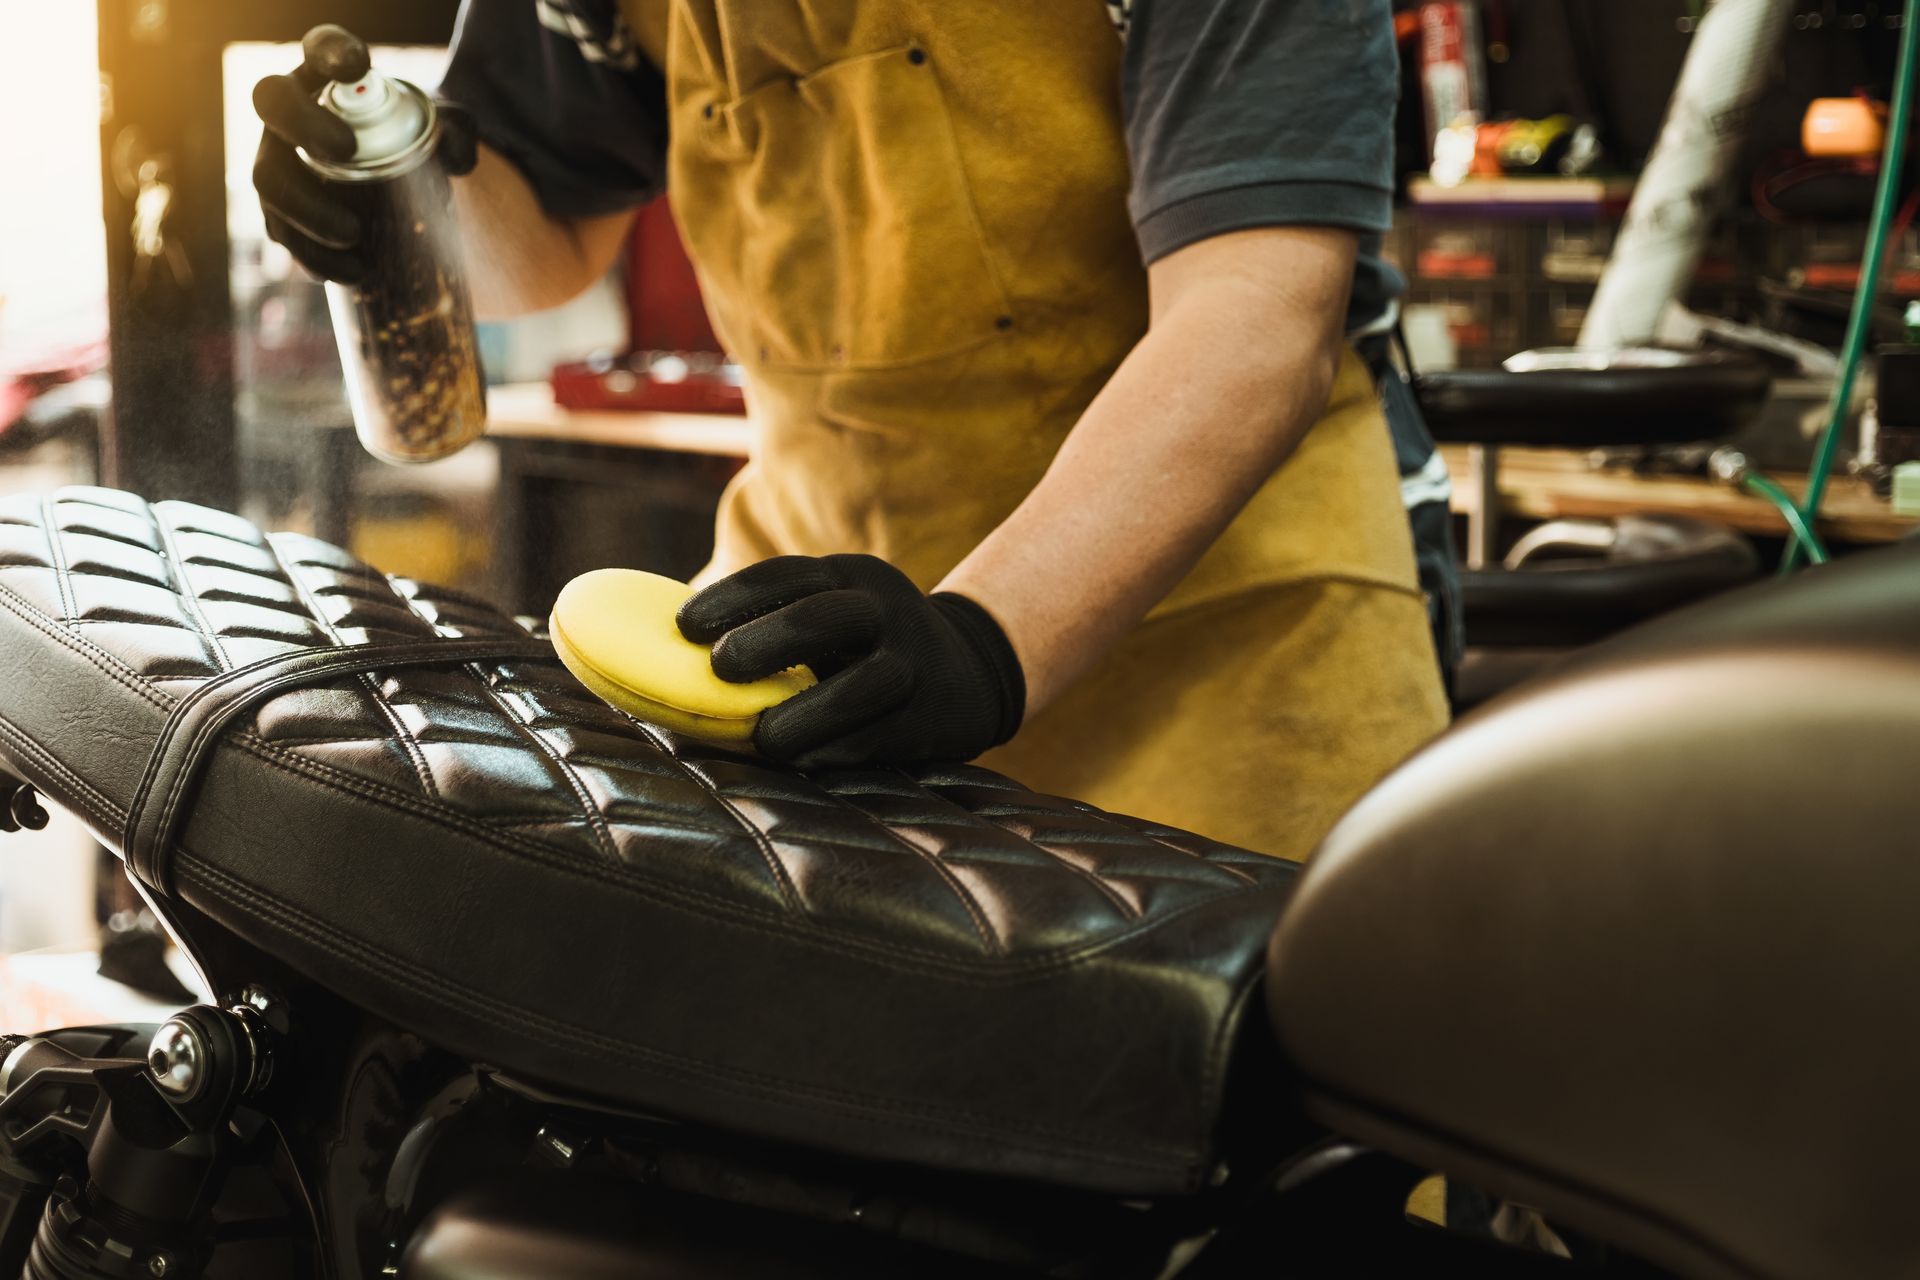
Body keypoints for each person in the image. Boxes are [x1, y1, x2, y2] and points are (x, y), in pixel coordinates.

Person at [253, 0, 1459, 861]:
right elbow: (544, 235)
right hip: (811, 649)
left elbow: (1257, 315)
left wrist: (985, 639)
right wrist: (402, 192)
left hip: (1226, 637)